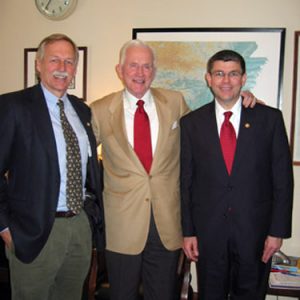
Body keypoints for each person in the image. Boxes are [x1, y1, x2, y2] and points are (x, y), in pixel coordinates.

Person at [90, 40, 258, 300]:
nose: (140, 73)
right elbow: (79, 156)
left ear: (154, 71)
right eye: (133, 66)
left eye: (147, 66)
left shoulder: (174, 102)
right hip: (122, 227)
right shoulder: (100, 110)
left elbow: (207, 129)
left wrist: (240, 101)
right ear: (119, 70)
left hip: (167, 226)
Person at [180, 49, 294, 299]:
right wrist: (188, 231)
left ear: (243, 79)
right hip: (209, 234)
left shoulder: (269, 119)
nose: (226, 80)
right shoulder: (191, 124)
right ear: (208, 78)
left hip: (256, 234)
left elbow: (283, 181)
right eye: (219, 73)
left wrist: (277, 232)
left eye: (233, 74)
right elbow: (186, 182)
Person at [0, 33, 104, 300]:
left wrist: (90, 217)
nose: (62, 68)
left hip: (78, 227)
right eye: (55, 60)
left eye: (69, 62)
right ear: (38, 64)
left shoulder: (81, 111)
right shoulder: (13, 106)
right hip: (33, 230)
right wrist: (4, 226)